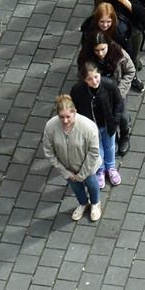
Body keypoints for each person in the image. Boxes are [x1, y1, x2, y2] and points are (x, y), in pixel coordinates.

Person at [42, 93, 105, 223]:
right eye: (61, 117)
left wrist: (82, 174)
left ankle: (95, 203)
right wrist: (65, 171)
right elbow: (49, 151)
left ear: (75, 112)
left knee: (92, 184)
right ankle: (83, 203)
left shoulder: (88, 127)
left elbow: (93, 152)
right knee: (76, 188)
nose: (65, 121)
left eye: (68, 117)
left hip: (87, 166)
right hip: (67, 168)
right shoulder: (50, 126)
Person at [71, 61, 128, 191]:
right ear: (84, 80)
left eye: (96, 77)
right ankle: (101, 169)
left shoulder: (109, 85)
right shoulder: (78, 91)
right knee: (97, 149)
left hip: (108, 124)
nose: (94, 81)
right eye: (89, 79)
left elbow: (119, 102)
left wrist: (115, 119)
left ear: (99, 74)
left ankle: (111, 167)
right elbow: (74, 108)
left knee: (110, 146)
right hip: (91, 128)